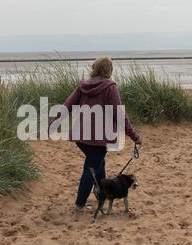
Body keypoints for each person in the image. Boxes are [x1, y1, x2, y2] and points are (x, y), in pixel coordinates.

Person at [58, 56, 141, 210]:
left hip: (81, 137)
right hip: (98, 139)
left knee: (99, 164)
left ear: (94, 68)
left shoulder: (83, 85)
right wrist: (134, 136)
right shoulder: (110, 87)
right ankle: (79, 205)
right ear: (109, 70)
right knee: (91, 169)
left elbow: (67, 105)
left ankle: (101, 195)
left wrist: (54, 120)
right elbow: (120, 115)